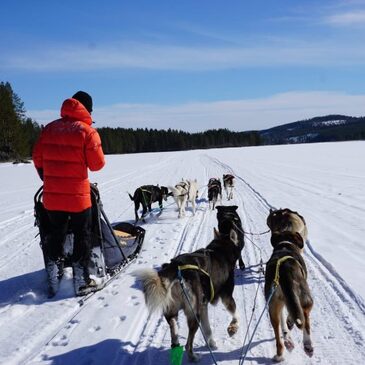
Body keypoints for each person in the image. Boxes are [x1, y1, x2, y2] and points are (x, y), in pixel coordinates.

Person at [33, 91, 105, 297]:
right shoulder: (87, 131)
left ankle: (54, 274)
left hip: (53, 197)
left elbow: (37, 158)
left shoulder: (49, 129)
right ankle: (81, 278)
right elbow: (97, 164)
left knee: (56, 231)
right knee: (83, 233)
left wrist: (48, 177)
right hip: (78, 197)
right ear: (86, 109)